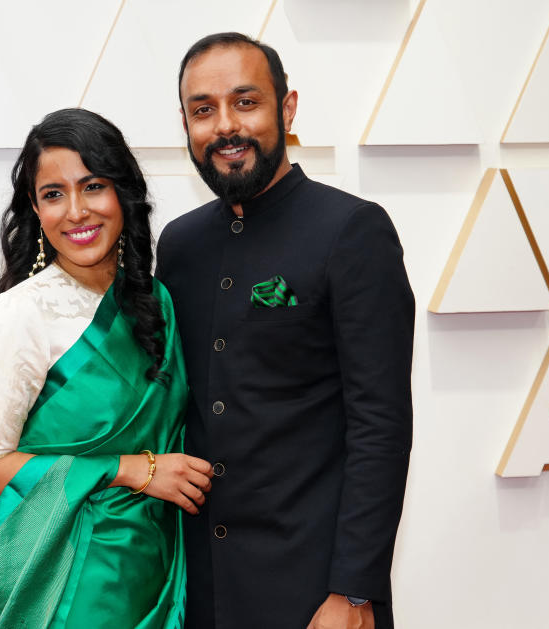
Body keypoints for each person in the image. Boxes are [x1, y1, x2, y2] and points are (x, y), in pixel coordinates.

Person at [155, 33, 415, 629]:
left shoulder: (352, 231)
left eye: (246, 102)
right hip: (198, 584)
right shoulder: (180, 245)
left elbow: (381, 424)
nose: (225, 126)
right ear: (186, 124)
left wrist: (353, 591)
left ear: (287, 108)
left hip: (314, 589)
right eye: (203, 110)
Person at [0, 108, 213, 629]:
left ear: (123, 194)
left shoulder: (157, 302)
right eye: (53, 194)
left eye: (93, 186)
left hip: (158, 568)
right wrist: (132, 469)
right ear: (35, 211)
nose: (76, 211)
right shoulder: (24, 312)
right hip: (70, 581)